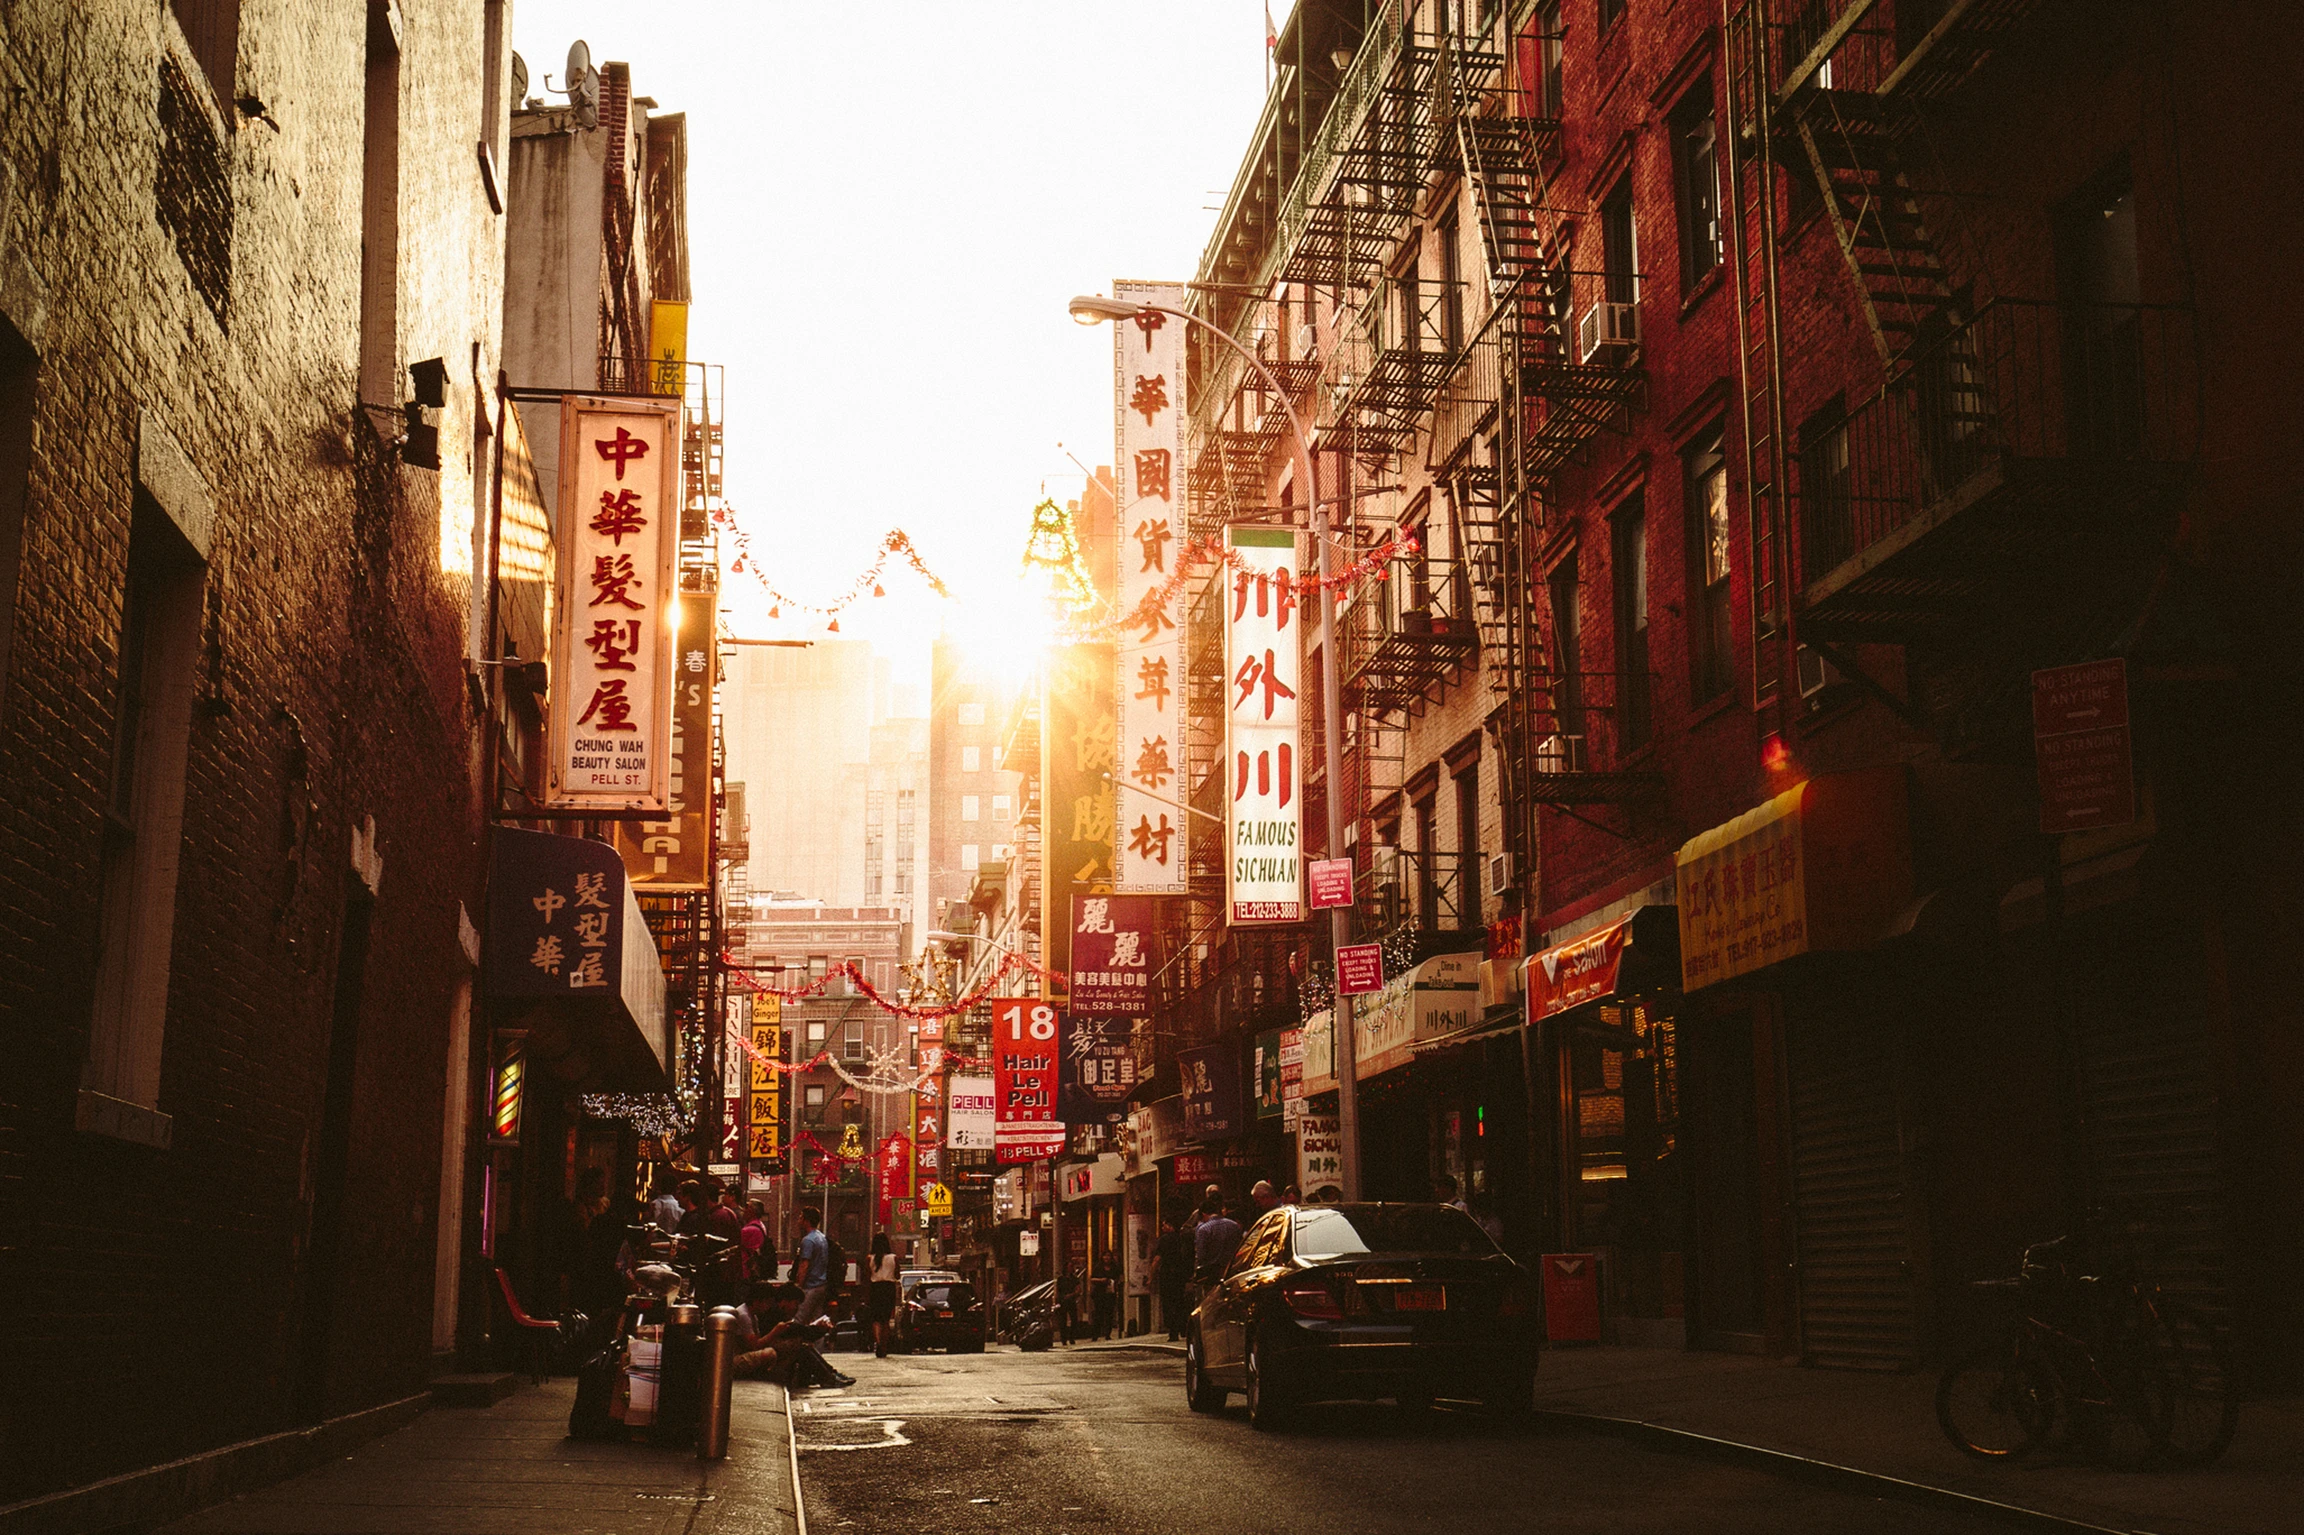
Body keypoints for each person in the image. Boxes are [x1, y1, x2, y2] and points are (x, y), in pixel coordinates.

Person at [734, 1281, 854, 1389]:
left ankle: (829, 1375)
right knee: (799, 1345)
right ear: (757, 1301)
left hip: (757, 1349)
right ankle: (828, 1377)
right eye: (767, 1303)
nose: (769, 1306)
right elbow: (754, 1346)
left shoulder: (753, 1314)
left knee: (801, 1345)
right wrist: (776, 1331)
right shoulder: (747, 1315)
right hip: (743, 1356)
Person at [1193, 1196, 1243, 1290]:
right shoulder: (1234, 1225)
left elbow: (1201, 1255)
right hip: (1231, 1269)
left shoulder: (1203, 1229)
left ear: (1203, 1214)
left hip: (1211, 1273)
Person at [1155, 1216, 1192, 1340]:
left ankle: (1173, 1331)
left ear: (1170, 1226)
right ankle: (1183, 1328)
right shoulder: (1182, 1238)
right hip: (1180, 1274)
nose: (1162, 1227)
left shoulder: (1164, 1240)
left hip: (1167, 1274)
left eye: (1164, 1225)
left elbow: (1157, 1259)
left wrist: (1151, 1275)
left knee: (1168, 1303)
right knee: (1180, 1301)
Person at [793, 1206, 832, 1324]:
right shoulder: (822, 1238)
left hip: (810, 1287)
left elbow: (804, 1265)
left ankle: (795, 1341)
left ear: (806, 1220)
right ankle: (819, 1343)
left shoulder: (808, 1240)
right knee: (817, 1321)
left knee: (798, 1319)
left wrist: (798, 1287)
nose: (799, 1220)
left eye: (801, 1217)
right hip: (822, 1284)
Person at [866, 1233, 900, 1357]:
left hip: (875, 1288)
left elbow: (867, 1277)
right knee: (885, 1320)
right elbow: (897, 1275)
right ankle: (884, 1346)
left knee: (876, 1320)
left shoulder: (869, 1258)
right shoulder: (893, 1258)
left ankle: (878, 1342)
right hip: (888, 1288)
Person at [740, 1200, 771, 1282]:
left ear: (752, 1211)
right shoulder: (761, 1226)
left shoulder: (748, 1230)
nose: (743, 1209)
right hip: (754, 1273)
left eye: (746, 1207)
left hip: (745, 1274)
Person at [1055, 1266, 1082, 1346]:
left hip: (1071, 1300)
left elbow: (1078, 1289)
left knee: (1074, 1319)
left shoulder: (1074, 1279)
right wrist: (1056, 1300)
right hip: (1062, 1300)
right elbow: (1057, 1290)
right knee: (1062, 1320)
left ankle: (1071, 1337)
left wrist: (1072, 1295)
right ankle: (1063, 1338)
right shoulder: (1060, 1279)